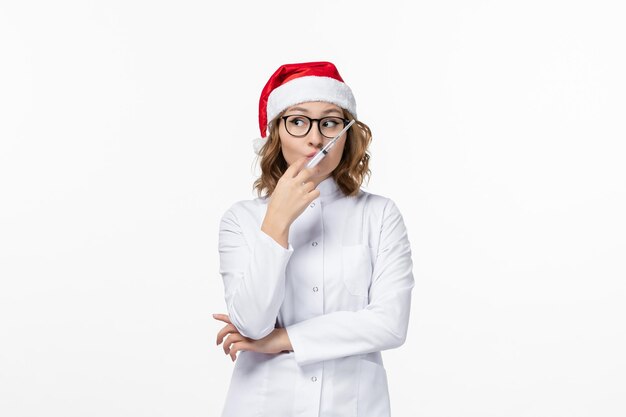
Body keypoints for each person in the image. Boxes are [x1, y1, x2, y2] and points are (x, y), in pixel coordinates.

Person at [212, 61, 415, 417]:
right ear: (277, 132)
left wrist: (282, 339)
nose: (316, 138)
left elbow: (390, 323)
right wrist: (276, 221)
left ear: (347, 133)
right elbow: (251, 323)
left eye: (330, 122)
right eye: (298, 120)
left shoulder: (380, 215)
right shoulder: (241, 220)